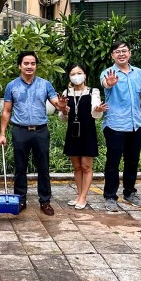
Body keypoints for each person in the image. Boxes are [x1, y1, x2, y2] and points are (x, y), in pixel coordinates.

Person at [0, 51, 68, 216]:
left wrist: (63, 105)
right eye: (26, 63)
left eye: (33, 63)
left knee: (43, 167)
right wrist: (2, 133)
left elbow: (58, 105)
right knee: (20, 167)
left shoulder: (45, 84)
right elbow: (6, 111)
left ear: (36, 66)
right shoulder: (12, 86)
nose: (29, 66)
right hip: (20, 131)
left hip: (40, 131)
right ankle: (20, 199)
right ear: (19, 66)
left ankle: (45, 201)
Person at [99, 41, 141, 213]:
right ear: (112, 55)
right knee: (113, 162)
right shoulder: (108, 73)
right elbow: (105, 84)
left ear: (130, 53)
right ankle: (110, 196)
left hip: (135, 124)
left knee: (132, 160)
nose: (121, 54)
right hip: (115, 125)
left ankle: (129, 192)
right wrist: (110, 83)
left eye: (124, 51)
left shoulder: (138, 73)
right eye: (117, 52)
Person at [57, 64, 107, 210]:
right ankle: (79, 194)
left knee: (86, 166)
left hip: (87, 132)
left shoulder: (93, 91)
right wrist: (63, 109)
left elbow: (96, 112)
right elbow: (63, 117)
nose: (76, 76)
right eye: (73, 73)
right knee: (77, 166)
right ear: (69, 77)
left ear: (85, 75)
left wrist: (98, 109)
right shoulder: (67, 92)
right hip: (73, 132)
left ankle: (83, 197)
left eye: (79, 73)